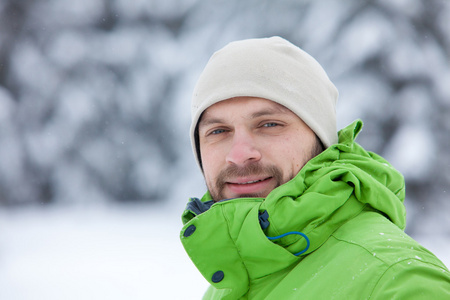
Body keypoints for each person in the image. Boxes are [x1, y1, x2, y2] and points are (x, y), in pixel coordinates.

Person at [179, 36, 450, 299]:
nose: (239, 155)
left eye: (269, 124)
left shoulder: (400, 283)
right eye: (218, 131)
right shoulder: (234, 279)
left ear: (321, 141)